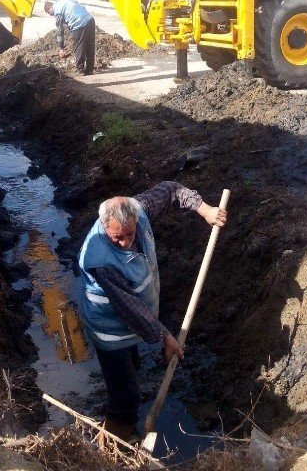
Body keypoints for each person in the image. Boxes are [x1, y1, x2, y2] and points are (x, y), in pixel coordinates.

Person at [78, 181, 227, 441]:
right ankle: (116, 436)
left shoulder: (139, 209)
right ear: (104, 226)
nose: (125, 242)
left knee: (132, 367)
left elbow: (171, 190)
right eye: (117, 237)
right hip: (109, 330)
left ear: (135, 218)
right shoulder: (100, 259)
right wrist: (166, 336)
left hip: (132, 316)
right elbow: (131, 310)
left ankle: (121, 418)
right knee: (126, 393)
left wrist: (205, 210)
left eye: (130, 234)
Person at [44, 0, 95, 75]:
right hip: (89, 19)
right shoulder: (63, 1)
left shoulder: (57, 11)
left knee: (79, 46)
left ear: (50, 9)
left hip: (79, 24)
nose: (52, 15)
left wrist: (61, 48)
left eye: (50, 13)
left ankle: (80, 70)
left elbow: (60, 30)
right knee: (90, 45)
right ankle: (90, 70)